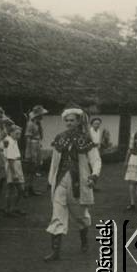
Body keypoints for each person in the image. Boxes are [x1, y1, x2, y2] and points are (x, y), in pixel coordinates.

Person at [44, 106, 100, 262]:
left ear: (78, 121)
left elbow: (95, 160)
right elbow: (54, 163)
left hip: (79, 183)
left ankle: (84, 239)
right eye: (67, 121)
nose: (69, 123)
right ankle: (55, 252)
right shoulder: (60, 138)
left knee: (80, 216)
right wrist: (51, 180)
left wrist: (94, 175)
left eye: (72, 120)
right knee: (57, 215)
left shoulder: (85, 139)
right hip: (61, 181)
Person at [24, 105, 48, 196]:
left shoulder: (37, 123)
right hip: (32, 146)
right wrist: (31, 153)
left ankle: (31, 188)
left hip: (37, 144)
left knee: (34, 169)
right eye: (41, 114)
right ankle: (26, 189)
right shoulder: (30, 124)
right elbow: (28, 138)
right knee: (29, 169)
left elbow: (41, 135)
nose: (43, 116)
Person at [4, 124, 27, 217]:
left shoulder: (14, 141)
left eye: (20, 134)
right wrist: (14, 174)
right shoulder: (8, 141)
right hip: (12, 166)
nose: (19, 136)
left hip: (17, 164)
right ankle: (9, 209)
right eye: (17, 133)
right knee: (14, 188)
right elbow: (10, 159)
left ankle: (14, 208)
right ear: (11, 133)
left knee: (19, 189)